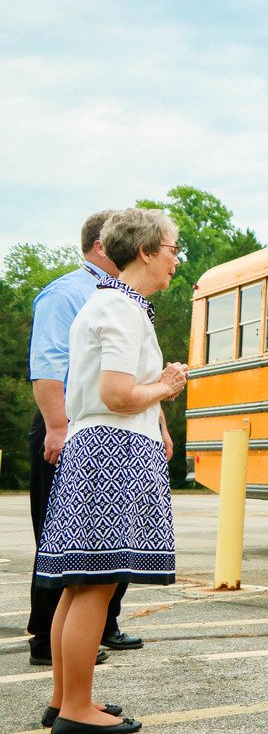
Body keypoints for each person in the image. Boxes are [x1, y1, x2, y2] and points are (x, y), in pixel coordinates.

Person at [34, 208, 187, 734]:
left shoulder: (106, 302)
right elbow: (118, 393)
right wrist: (166, 387)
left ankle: (64, 698)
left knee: (79, 587)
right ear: (145, 251)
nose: (175, 260)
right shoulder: (121, 308)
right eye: (172, 248)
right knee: (96, 584)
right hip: (114, 451)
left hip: (91, 447)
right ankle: (77, 706)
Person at [27, 211, 147, 667]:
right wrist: (57, 427)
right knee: (62, 541)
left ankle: (103, 624)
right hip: (68, 424)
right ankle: (44, 638)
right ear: (102, 244)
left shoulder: (122, 296)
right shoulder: (67, 293)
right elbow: (48, 367)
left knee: (105, 543)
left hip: (108, 422)